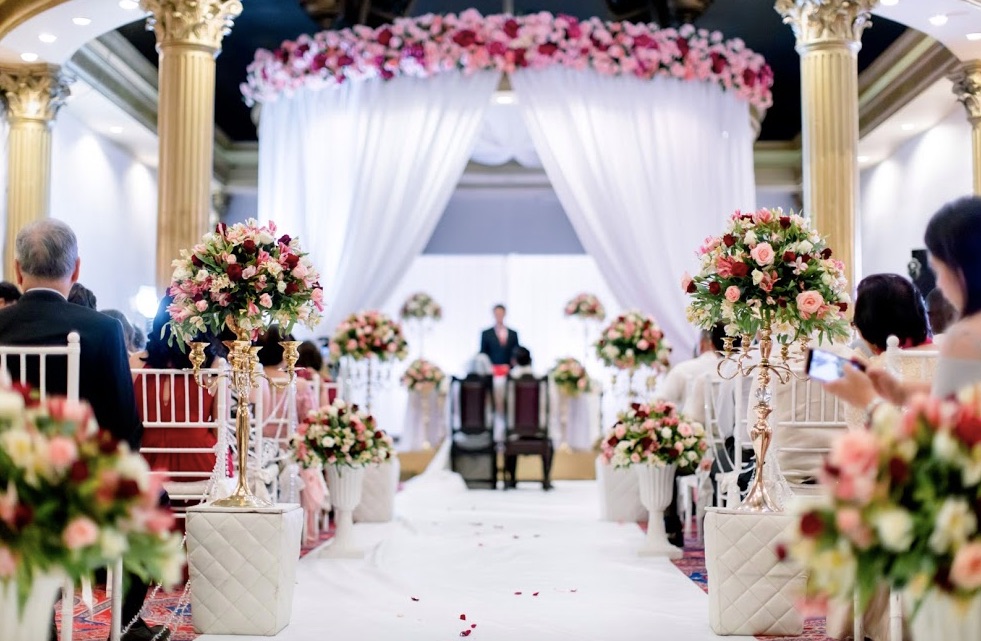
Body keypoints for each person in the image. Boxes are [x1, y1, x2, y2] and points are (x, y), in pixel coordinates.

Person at [0, 220, 168, 641]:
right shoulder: (102, 330)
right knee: (153, 499)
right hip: (78, 487)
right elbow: (124, 428)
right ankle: (127, 623)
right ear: (76, 270)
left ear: (18, 270)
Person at [826, 196, 981, 410]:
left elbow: (949, 425)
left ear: (961, 269)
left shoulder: (967, 338)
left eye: (938, 270)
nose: (939, 284)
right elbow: (960, 396)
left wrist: (868, 399)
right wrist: (901, 392)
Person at [135, 296, 225, 478]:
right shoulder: (215, 365)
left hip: (147, 464)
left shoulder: (136, 362)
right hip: (200, 462)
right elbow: (219, 430)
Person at [480, 304, 520, 373]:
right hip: (491, 370)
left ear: (504, 314)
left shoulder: (513, 333)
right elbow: (483, 353)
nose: (499, 316)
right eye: (497, 314)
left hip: (509, 370)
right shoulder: (486, 333)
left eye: (501, 313)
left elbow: (516, 351)